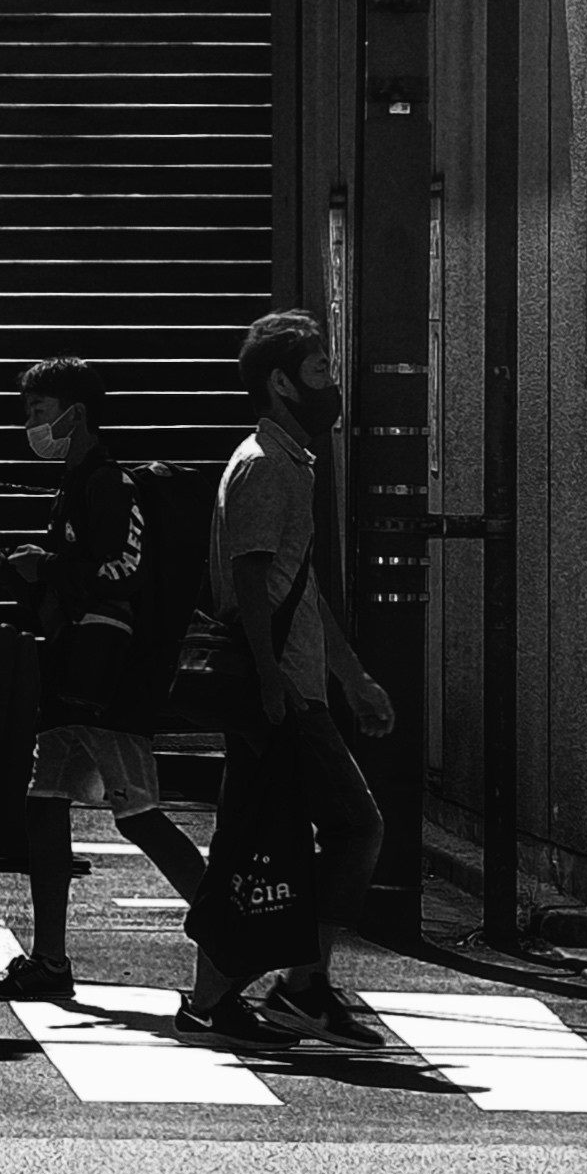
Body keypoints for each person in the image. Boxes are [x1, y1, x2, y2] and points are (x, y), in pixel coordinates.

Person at [0, 355, 216, 1005]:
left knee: (140, 815)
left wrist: (49, 564)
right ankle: (51, 959)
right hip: (74, 676)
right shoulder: (72, 488)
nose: (29, 424)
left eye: (38, 411)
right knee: (43, 804)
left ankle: (229, 934)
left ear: (76, 414)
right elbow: (55, 591)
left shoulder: (111, 484)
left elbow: (123, 569)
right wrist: (2, 567)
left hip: (110, 682)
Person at [193, 306, 396, 1037]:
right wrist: (275, 683)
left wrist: (351, 676)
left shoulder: (285, 462)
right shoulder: (265, 465)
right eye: (318, 372)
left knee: (250, 837)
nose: (331, 385)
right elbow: (248, 578)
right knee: (356, 824)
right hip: (277, 692)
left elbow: (298, 587)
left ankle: (218, 997)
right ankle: (301, 985)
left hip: (291, 686)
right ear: (280, 382)